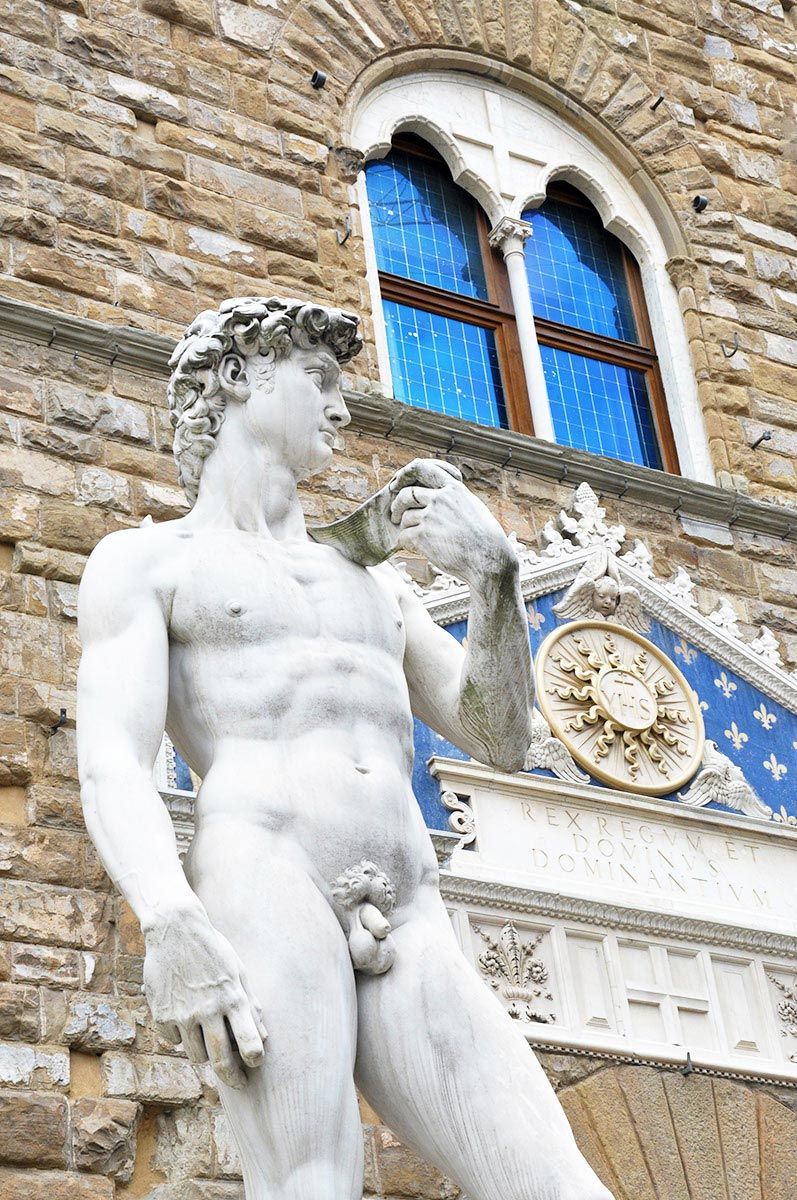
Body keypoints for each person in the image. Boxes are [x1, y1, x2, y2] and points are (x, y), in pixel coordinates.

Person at [77, 296, 613, 1200]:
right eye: (319, 379)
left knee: (554, 1184)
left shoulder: (375, 583)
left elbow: (501, 738)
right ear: (237, 377)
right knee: (309, 1181)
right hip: (264, 872)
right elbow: (112, 762)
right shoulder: (151, 563)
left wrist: (494, 579)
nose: (341, 407)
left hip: (408, 902)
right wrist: (169, 919)